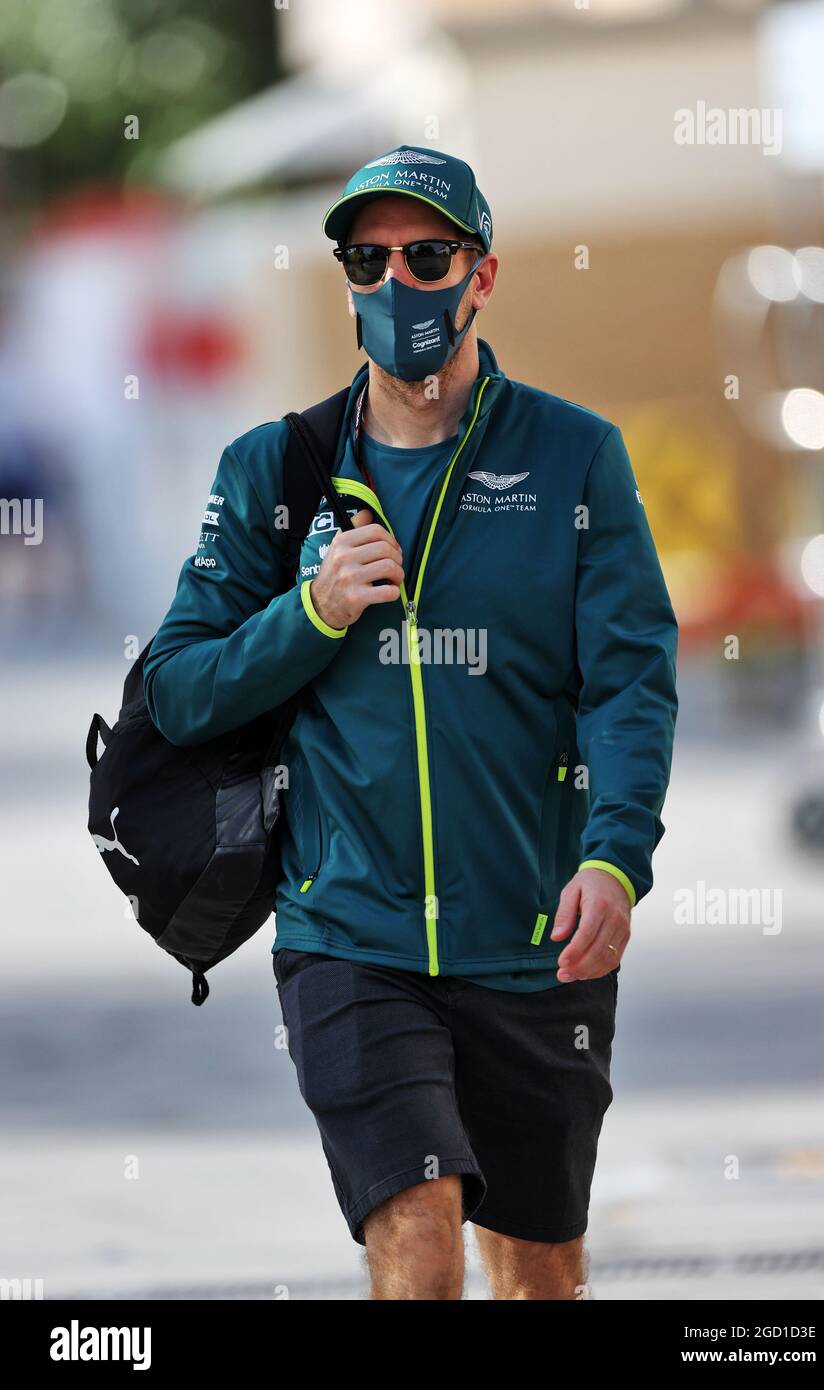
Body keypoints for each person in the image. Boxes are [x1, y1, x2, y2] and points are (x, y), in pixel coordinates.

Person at [143, 145, 678, 1300]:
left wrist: (614, 856)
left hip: (535, 938)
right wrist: (311, 610)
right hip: (349, 933)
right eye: (366, 260)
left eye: (425, 258)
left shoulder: (574, 456)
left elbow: (628, 680)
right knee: (418, 1241)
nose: (395, 286)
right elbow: (178, 690)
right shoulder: (272, 471)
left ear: (480, 276)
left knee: (540, 1276)